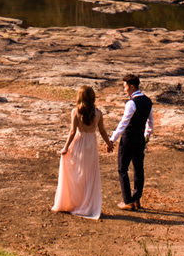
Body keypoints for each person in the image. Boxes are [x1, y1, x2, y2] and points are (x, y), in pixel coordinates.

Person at [51, 84, 113, 219]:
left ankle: (74, 201)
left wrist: (66, 147)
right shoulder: (98, 113)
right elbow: (102, 131)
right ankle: (87, 203)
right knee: (89, 175)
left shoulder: (75, 112)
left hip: (79, 142)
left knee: (76, 172)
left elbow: (73, 131)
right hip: (91, 145)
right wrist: (109, 144)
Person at [109, 73, 154, 211]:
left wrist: (112, 139)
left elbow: (124, 122)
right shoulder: (148, 101)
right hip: (140, 137)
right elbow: (150, 122)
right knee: (138, 169)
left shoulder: (131, 103)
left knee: (122, 168)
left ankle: (128, 200)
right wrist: (146, 136)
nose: (124, 89)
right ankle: (136, 199)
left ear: (132, 86)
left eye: (125, 87)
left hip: (128, 138)